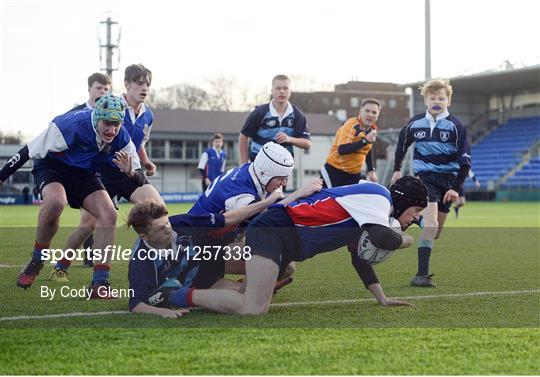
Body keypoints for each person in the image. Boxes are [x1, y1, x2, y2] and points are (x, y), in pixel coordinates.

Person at [142, 176, 428, 315]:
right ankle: (179, 295)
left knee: (280, 272)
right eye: (415, 212)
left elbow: (359, 258)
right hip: (275, 231)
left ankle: (203, 275)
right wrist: (406, 239)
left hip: (283, 240)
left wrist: (382, 298)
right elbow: (384, 239)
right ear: (404, 202)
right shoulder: (380, 197)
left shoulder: (369, 214)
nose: (413, 219)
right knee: (253, 309)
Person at [0, 95, 140, 294]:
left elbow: (138, 175)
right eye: (107, 123)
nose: (112, 130)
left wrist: (130, 172)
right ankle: (37, 259)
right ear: (96, 118)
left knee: (109, 214)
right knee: (57, 202)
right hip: (52, 167)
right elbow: (26, 151)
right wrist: (2, 177)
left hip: (83, 174)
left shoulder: (122, 137)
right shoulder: (69, 125)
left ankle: (100, 283)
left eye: (116, 124)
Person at [50, 64, 163, 282]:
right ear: (127, 85)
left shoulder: (148, 115)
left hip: (128, 173)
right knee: (87, 226)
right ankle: (60, 267)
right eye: (139, 83)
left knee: (158, 209)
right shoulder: (111, 106)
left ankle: (160, 266)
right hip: (101, 173)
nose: (144, 88)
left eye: (147, 84)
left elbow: (137, 143)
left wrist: (145, 161)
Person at [127, 190, 284, 318]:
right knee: (246, 299)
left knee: (285, 265)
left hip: (211, 258)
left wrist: (268, 202)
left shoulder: (181, 223)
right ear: (144, 236)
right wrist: (164, 312)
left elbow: (226, 220)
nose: (169, 229)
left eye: (167, 223)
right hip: (200, 284)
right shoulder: (140, 260)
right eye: (161, 228)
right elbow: (136, 305)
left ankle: (250, 281)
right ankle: (242, 284)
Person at [391, 78, 471, 288]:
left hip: (449, 182)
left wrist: (456, 188)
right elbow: (401, 146)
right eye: (432, 97)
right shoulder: (414, 123)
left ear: (449, 101)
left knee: (435, 232)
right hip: (426, 179)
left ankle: (413, 219)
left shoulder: (457, 126)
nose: (437, 101)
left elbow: (465, 163)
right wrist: (397, 170)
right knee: (432, 225)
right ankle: (421, 276)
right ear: (425, 101)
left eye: (441, 98)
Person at [238, 74, 311, 164]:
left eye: (285, 88)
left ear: (290, 91)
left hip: (283, 164)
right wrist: (244, 163)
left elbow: (307, 143)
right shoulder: (259, 112)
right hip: (259, 162)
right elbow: (243, 136)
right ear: (272, 91)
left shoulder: (297, 114)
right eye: (278, 88)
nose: (282, 91)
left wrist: (290, 139)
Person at [321, 98, 381, 188]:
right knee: (331, 200)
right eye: (367, 111)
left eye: (374, 112)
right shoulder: (351, 124)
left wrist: (371, 170)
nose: (370, 115)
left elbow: (367, 150)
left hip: (354, 175)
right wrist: (365, 140)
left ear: (377, 115)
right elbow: (342, 149)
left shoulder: (372, 129)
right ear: (360, 111)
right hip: (335, 172)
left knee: (351, 201)